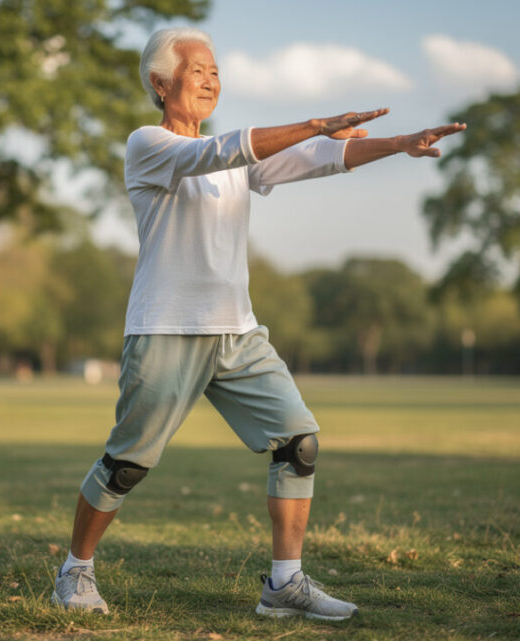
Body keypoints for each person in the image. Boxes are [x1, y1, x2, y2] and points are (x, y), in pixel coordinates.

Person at [51, 27, 465, 621]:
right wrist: (315, 122)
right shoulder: (149, 145)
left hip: (238, 333)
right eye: (197, 71)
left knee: (299, 443)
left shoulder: (237, 157)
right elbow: (221, 152)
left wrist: (401, 142)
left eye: (215, 71)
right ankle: (76, 571)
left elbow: (319, 159)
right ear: (160, 83)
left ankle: (284, 585)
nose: (211, 80)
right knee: (127, 463)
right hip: (167, 329)